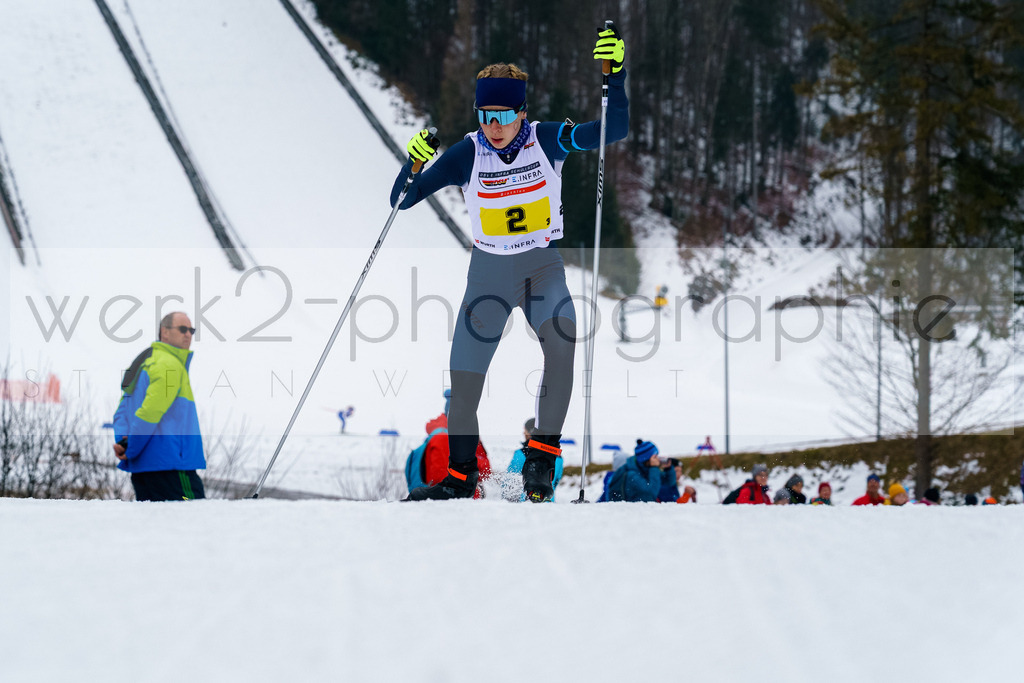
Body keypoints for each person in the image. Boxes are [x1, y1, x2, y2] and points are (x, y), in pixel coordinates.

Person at [397, 27, 629, 502]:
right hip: (488, 274)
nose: (494, 125)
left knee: (563, 343)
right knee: (463, 378)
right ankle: (461, 477)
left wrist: (616, 77)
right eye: (486, 115)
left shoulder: (548, 139)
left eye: (504, 114)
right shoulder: (468, 152)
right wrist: (413, 164)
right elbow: (403, 199)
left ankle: (541, 458)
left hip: (541, 268)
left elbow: (615, 130)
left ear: (522, 111)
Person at [112, 312, 205, 501]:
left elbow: (122, 413)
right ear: (165, 332)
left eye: (191, 330)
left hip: (144, 472)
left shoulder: (143, 364)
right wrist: (130, 449)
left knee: (155, 529)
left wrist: (124, 443)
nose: (188, 334)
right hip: (172, 469)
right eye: (182, 329)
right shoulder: (170, 365)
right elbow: (149, 413)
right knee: (194, 526)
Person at [404, 390, 490, 498]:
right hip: (457, 505)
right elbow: (443, 482)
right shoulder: (444, 439)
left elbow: (486, 472)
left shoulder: (447, 436)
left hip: (460, 502)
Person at [506, 417, 563, 502]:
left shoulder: (520, 454)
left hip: (526, 501)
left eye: (525, 430)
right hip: (548, 501)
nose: (523, 433)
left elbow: (509, 480)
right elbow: (556, 480)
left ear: (530, 432)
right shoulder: (558, 457)